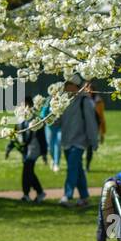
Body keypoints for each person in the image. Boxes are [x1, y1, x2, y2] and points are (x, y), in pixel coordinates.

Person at [58, 74, 99, 208]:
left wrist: (94, 141)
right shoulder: (64, 101)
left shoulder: (85, 101)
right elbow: (56, 123)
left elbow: (91, 123)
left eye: (67, 85)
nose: (65, 88)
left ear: (74, 86)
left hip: (79, 142)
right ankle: (84, 197)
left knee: (72, 168)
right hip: (66, 141)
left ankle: (67, 195)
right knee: (78, 170)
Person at [17, 98, 47, 203]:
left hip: (34, 149)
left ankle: (28, 194)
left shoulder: (35, 119)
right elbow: (16, 133)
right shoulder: (20, 119)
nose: (22, 108)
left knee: (27, 170)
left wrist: (44, 153)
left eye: (24, 105)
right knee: (29, 172)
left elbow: (42, 137)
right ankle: (38, 193)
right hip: (25, 150)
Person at [85, 85, 106, 172]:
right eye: (86, 88)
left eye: (89, 88)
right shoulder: (81, 100)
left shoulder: (98, 101)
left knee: (90, 148)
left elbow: (101, 118)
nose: (88, 90)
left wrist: (102, 133)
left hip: (94, 128)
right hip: (83, 127)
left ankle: (87, 166)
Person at [41, 96, 62, 172]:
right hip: (49, 127)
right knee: (50, 146)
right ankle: (53, 159)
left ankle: (56, 163)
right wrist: (45, 118)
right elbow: (43, 113)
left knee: (58, 143)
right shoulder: (48, 100)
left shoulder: (62, 99)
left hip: (60, 126)